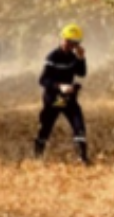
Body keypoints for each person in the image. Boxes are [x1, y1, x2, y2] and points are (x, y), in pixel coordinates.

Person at [34, 24, 90, 164]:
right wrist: (59, 87)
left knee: (79, 126)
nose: (71, 46)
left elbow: (81, 73)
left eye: (75, 43)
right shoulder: (52, 57)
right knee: (46, 127)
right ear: (62, 39)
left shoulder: (73, 56)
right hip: (53, 99)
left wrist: (81, 58)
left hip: (69, 99)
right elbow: (43, 80)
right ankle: (38, 157)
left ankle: (83, 157)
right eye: (69, 42)